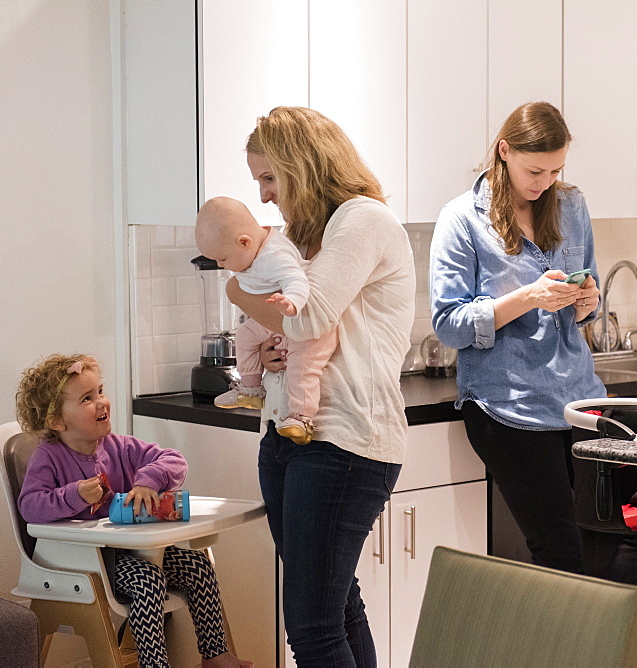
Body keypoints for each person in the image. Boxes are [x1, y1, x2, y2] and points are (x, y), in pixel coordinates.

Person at [227, 106, 414, 667]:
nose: (262, 196)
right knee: (334, 610)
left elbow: (306, 320)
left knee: (311, 628)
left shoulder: (363, 221)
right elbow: (289, 323)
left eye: (268, 177)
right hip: (293, 435)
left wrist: (240, 298)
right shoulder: (308, 234)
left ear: (301, 166)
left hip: (347, 440)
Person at [429, 101, 606, 575]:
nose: (544, 181)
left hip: (581, 401)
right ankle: (570, 649)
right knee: (562, 553)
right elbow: (448, 323)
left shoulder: (571, 205)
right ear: (504, 151)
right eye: (535, 169)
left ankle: (601, 646)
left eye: (555, 170)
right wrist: (527, 298)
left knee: (623, 542)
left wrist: (588, 302)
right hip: (509, 408)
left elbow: (590, 299)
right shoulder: (462, 219)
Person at [16, 353, 253, 668]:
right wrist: (74, 495)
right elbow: (30, 506)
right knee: (148, 580)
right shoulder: (49, 457)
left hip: (132, 553)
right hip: (84, 562)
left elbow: (173, 459)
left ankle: (215, 654)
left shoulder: (119, 447)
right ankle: (155, 664)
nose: (102, 402)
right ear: (57, 421)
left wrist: (148, 483)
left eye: (100, 391)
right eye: (87, 398)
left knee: (198, 567)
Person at [195, 195, 339, 445]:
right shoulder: (254, 252)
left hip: (300, 320)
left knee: (302, 366)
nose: (221, 265)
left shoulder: (274, 256)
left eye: (223, 259)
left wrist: (291, 301)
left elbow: (296, 280)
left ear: (244, 242)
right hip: (280, 320)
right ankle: (251, 389)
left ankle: (301, 417)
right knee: (245, 334)